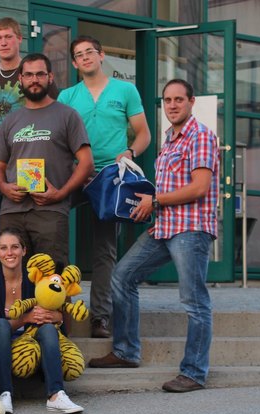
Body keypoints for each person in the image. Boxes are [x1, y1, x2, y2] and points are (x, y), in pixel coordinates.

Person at [88, 79, 219, 394]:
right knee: (123, 275)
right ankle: (125, 351)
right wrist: (152, 208)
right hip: (164, 227)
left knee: (194, 300)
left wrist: (156, 202)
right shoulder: (170, 139)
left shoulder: (200, 136)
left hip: (191, 228)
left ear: (191, 102)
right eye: (167, 100)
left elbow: (199, 187)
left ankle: (194, 372)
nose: (172, 105)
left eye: (178, 99)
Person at [57, 35, 152, 339]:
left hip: (111, 178)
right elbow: (57, 138)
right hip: (74, 175)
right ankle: (58, 309)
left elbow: (143, 134)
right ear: (74, 63)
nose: (85, 57)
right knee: (51, 235)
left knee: (105, 250)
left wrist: (131, 152)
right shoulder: (67, 96)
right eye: (79, 54)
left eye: (90, 52)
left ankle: (101, 317)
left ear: (101, 55)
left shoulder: (125, 90)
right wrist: (71, 166)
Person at [0, 53, 94, 266]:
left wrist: (61, 193)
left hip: (50, 211)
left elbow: (87, 163)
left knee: (51, 276)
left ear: (50, 77)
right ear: (20, 79)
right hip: (12, 211)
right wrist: (4, 187)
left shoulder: (67, 115)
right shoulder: (11, 120)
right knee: (13, 276)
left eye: (40, 74)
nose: (34, 79)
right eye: (28, 75)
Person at [0, 18, 59, 230]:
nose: (4, 42)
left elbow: (53, 113)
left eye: (8, 37)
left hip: (26, 161)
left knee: (23, 224)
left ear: (20, 39)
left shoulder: (34, 75)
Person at [0, 228, 83, 414]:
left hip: (33, 345)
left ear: (24, 251)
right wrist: (26, 318)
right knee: (1, 325)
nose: (9, 253)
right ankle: (5, 394)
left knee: (49, 329)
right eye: (3, 248)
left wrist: (55, 317)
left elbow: (59, 314)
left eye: (15, 247)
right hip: (3, 348)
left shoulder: (37, 281)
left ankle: (56, 395)